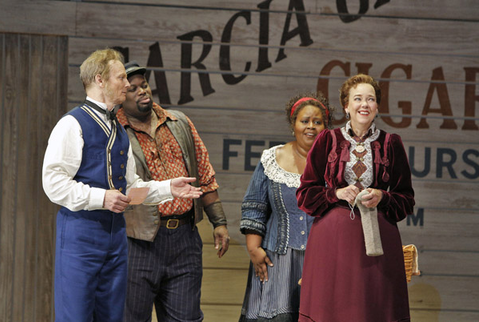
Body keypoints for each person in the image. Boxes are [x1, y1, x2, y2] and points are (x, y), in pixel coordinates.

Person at [42, 49, 202, 322]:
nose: (128, 85)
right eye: (121, 78)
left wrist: (168, 189)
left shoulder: (118, 128)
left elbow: (131, 187)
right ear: (100, 80)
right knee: (76, 315)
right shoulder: (72, 124)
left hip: (116, 239)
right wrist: (101, 197)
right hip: (81, 236)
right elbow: (53, 182)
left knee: (113, 317)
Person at [296, 74, 415, 322]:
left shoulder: (391, 143)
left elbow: (406, 199)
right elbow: (305, 194)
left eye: (370, 99)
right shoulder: (327, 140)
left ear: (377, 107)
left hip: (378, 241)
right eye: (357, 99)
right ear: (346, 106)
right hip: (333, 240)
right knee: (332, 308)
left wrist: (383, 196)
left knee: (374, 308)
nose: (364, 104)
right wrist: (335, 193)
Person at [117, 61, 230, 322]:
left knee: (186, 318)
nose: (142, 91)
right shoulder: (116, 132)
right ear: (121, 96)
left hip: (184, 238)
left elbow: (204, 173)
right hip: (138, 239)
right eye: (132, 89)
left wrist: (219, 222)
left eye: (143, 85)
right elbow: (118, 191)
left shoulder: (178, 121)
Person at [239, 93, 334, 321]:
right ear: (294, 125)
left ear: (326, 128)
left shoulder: (336, 163)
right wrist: (254, 250)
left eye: (317, 122)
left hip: (322, 259)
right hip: (277, 260)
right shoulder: (272, 159)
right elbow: (254, 207)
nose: (310, 127)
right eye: (304, 121)